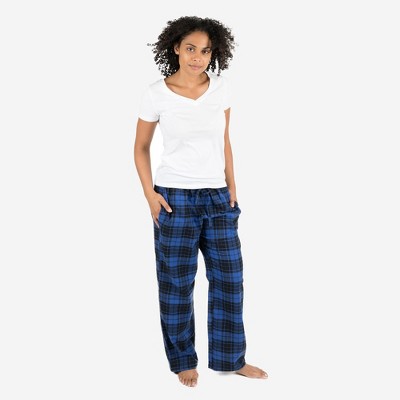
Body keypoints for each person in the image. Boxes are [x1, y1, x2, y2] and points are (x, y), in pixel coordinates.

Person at [134, 16, 268, 387]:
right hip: (174, 199)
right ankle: (183, 361)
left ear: (214, 53)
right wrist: (150, 195)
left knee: (230, 280)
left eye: (206, 51)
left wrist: (232, 186)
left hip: (218, 197)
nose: (198, 57)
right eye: (191, 48)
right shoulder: (156, 93)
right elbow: (141, 147)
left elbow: (224, 140)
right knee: (176, 283)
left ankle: (230, 358)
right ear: (176, 48)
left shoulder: (221, 89)